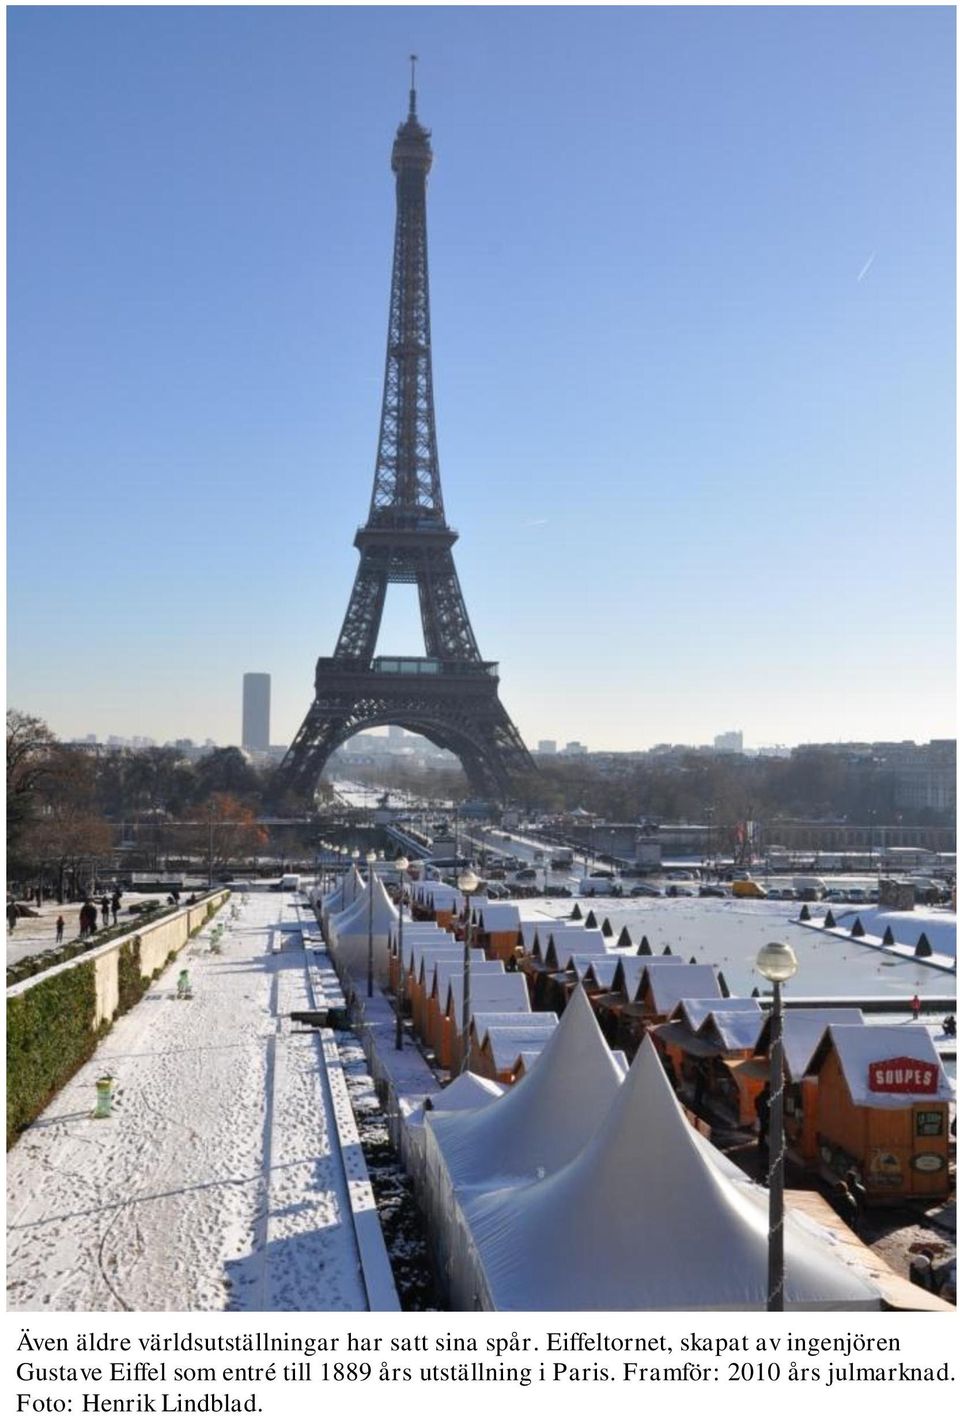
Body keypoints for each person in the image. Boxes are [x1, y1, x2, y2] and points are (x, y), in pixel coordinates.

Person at [755, 1081, 771, 1149]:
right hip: (766, 1115)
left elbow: (756, 1104)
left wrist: (759, 1111)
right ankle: (764, 1144)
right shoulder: (767, 1095)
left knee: (763, 1129)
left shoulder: (760, 1095)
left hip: (762, 1114)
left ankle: (761, 1143)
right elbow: (768, 1106)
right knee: (765, 1130)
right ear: (768, 1087)